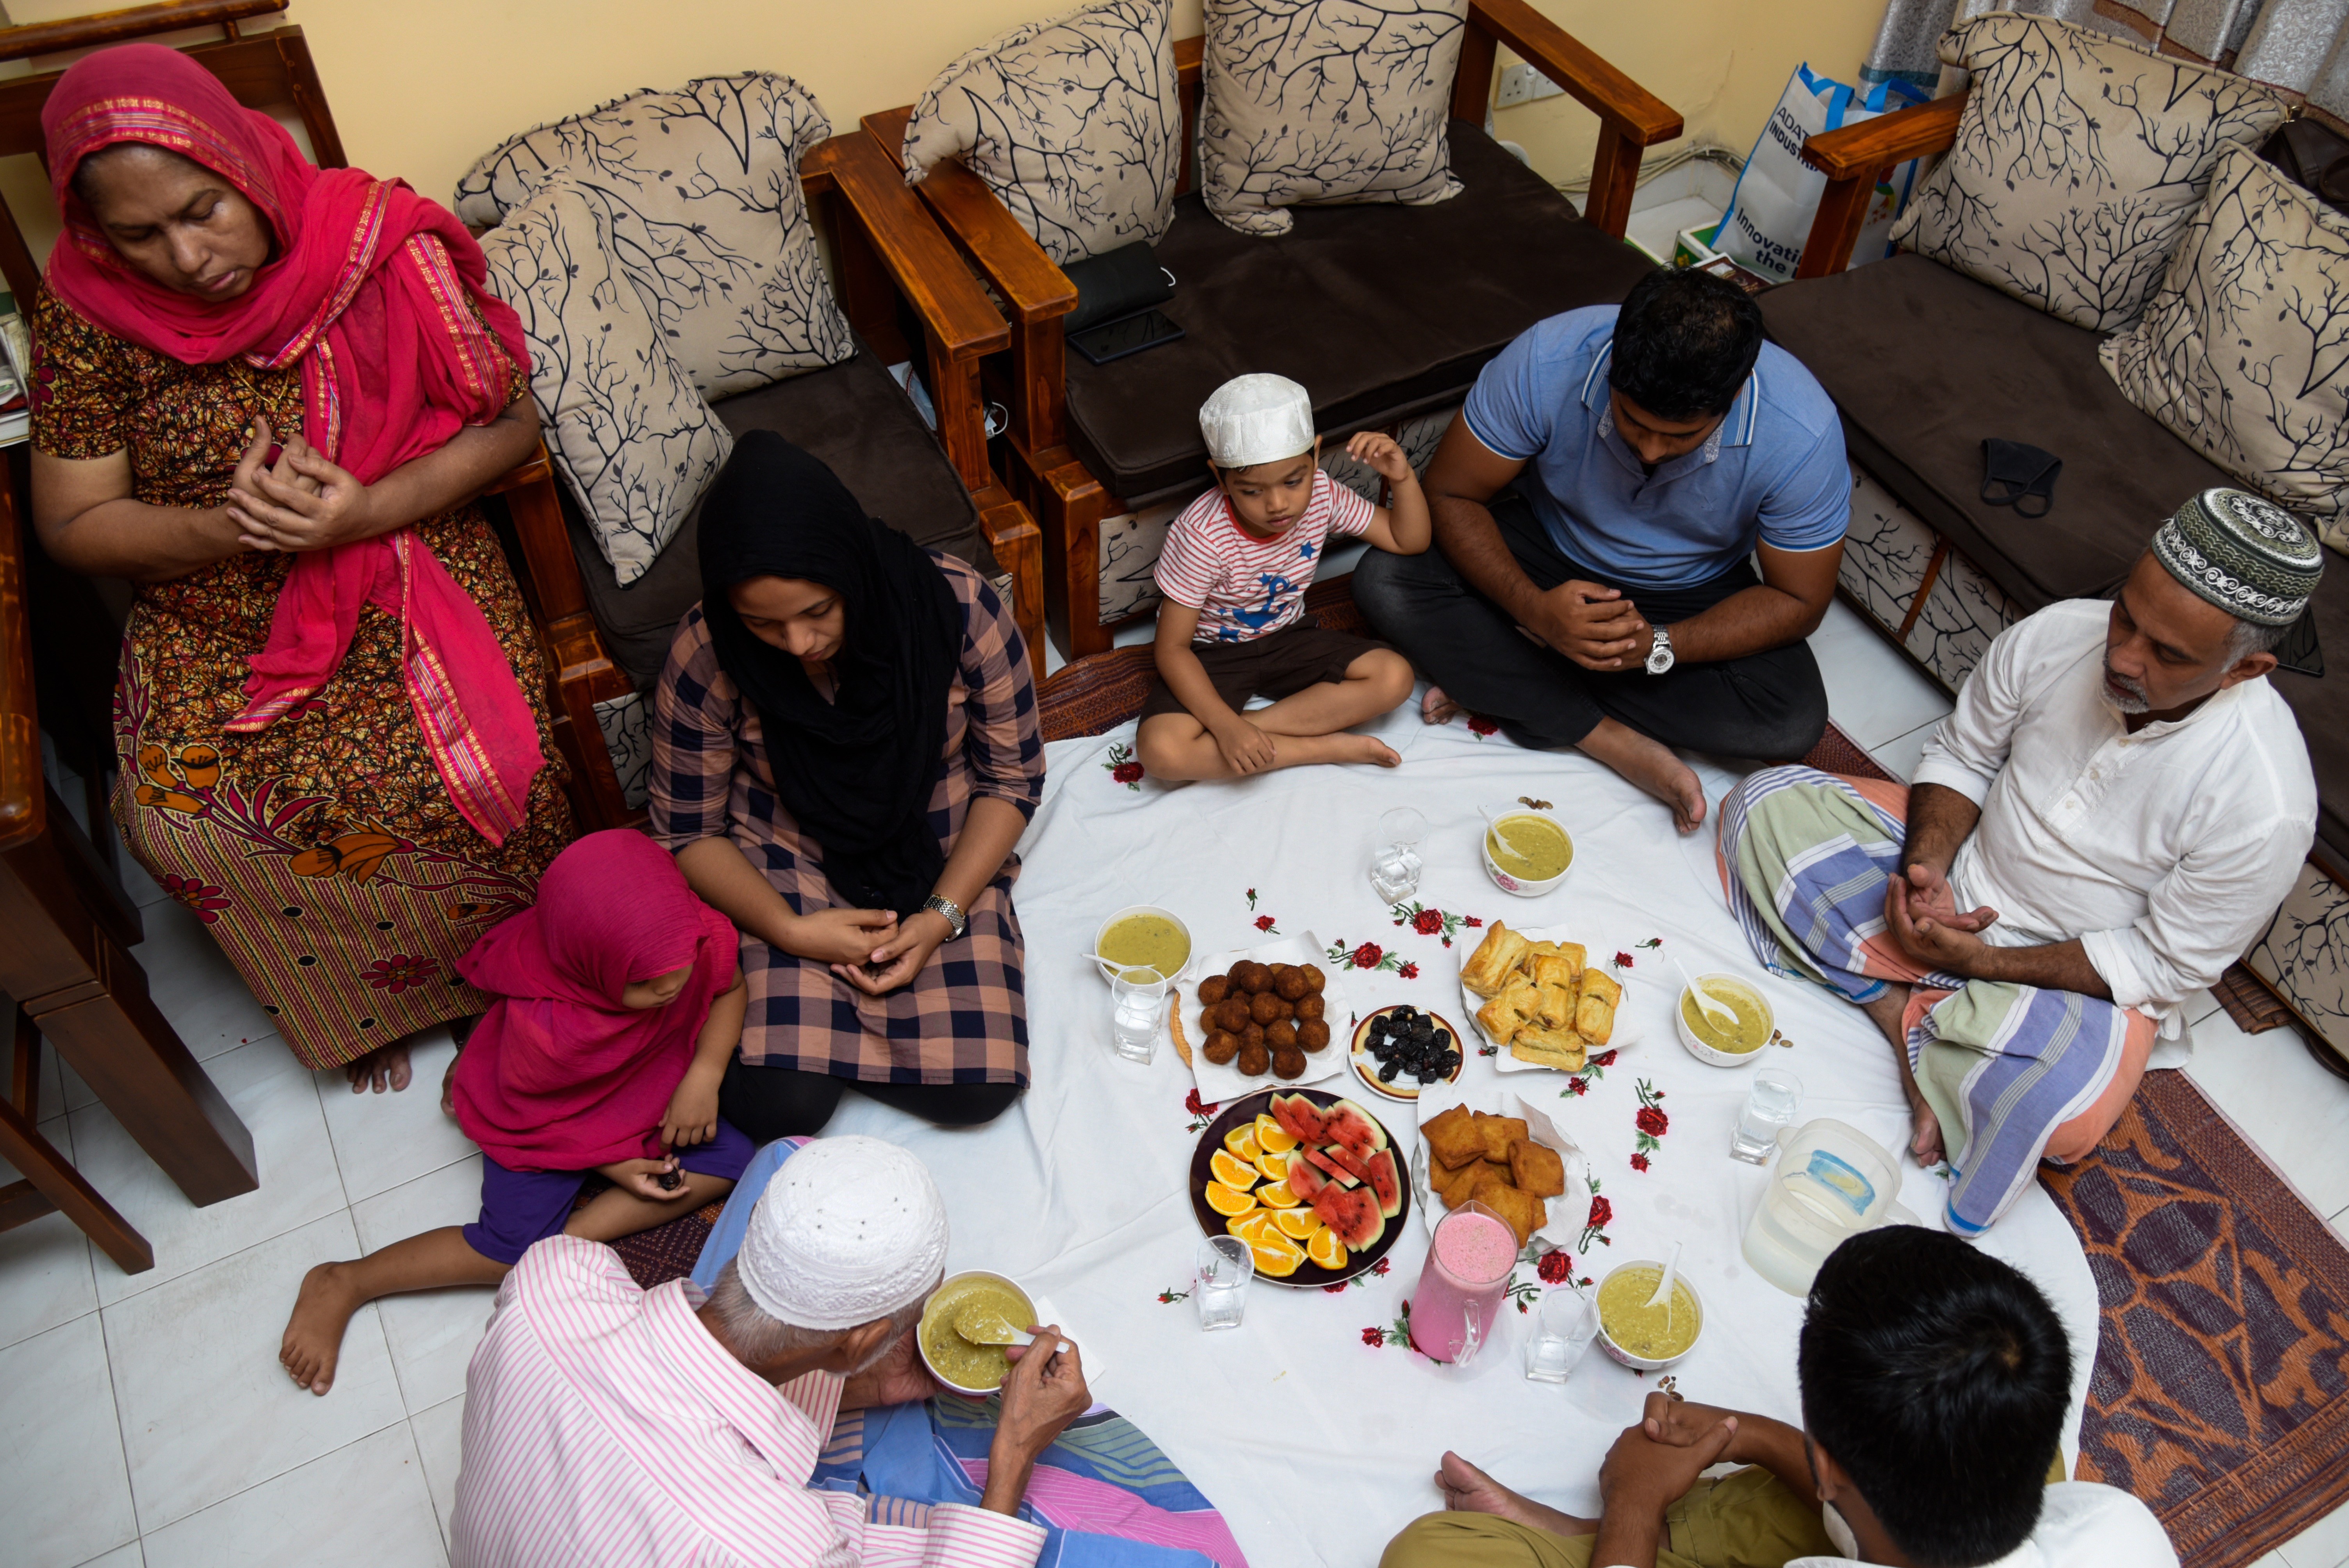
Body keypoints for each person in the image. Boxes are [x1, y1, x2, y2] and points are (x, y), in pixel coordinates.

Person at [28, 44, 571, 1095]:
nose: (189, 259)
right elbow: (76, 523)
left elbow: (512, 423)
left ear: (243, 163)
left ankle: (524, 968)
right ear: (97, 233)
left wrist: (360, 511)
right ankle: (371, 1000)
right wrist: (242, 530)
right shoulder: (87, 315)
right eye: (142, 235)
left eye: (205, 209)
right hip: (212, 600)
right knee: (178, 816)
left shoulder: (373, 242)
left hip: (404, 550)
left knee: (479, 758)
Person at [1717, 488, 2320, 1235]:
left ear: (2244, 669)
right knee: (1761, 804)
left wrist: (1985, 964)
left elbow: (2162, 964)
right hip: (1966, 876)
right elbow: (1964, 755)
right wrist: (1926, 870)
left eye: (2167, 654)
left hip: (2069, 977)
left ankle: (1907, 992)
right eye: (2126, 615)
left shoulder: (2265, 801)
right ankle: (1904, 1022)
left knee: (2059, 1117)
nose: (2123, 656)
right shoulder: (2060, 634)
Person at [1350, 266, 1846, 833]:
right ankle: (1608, 739)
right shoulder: (1548, 360)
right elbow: (1450, 492)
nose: (1654, 451)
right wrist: (1533, 608)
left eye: (1682, 436)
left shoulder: (1801, 432)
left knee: (1788, 720)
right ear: (1611, 367)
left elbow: (1799, 600)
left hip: (1690, 590)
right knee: (1387, 578)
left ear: (1734, 395)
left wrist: (1659, 646)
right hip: (1548, 545)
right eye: (1635, 424)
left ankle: (1506, 679)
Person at [448, 1135, 1096, 1567]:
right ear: (865, 1340)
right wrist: (1013, 1454)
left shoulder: (551, 1279)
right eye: (903, 1323)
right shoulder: (777, 1545)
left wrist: (863, 1384)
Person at [652, 432, 1043, 1142]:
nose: (798, 645)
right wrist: (789, 932)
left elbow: (1011, 777)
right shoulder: (707, 651)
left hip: (936, 839)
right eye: (764, 624)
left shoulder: (955, 607)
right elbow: (689, 830)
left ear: (851, 572)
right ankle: (817, 1042)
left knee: (980, 1093)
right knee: (783, 1109)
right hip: (790, 850)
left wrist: (939, 918)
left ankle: (827, 1040)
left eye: (818, 612)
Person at [1382, 1225, 2176, 1568]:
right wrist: (1749, 1436)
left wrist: (1629, 1507)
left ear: (1828, 1469)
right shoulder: (2118, 1528)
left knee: (1427, 1555)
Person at [277, 830, 749, 1394]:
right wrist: (617, 1165)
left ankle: (567, 1239)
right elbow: (535, 1117)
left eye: (682, 964)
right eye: (645, 983)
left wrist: (705, 1074)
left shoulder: (690, 939)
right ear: (590, 967)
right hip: (544, 1124)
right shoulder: (549, 1031)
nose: (673, 986)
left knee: (736, 1159)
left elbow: (730, 986)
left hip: (643, 1088)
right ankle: (348, 1280)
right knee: (508, 1251)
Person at [1135, 372, 1428, 779]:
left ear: (1316, 455)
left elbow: (1406, 539)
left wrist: (1402, 477)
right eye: (1251, 491)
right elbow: (1171, 648)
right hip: (1213, 656)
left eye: (1293, 481)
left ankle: (1254, 732)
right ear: (1220, 479)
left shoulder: (1324, 494)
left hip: (1289, 637)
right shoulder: (1202, 534)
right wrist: (1224, 723)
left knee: (1395, 676)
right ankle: (1319, 747)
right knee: (1161, 751)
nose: (1277, 505)